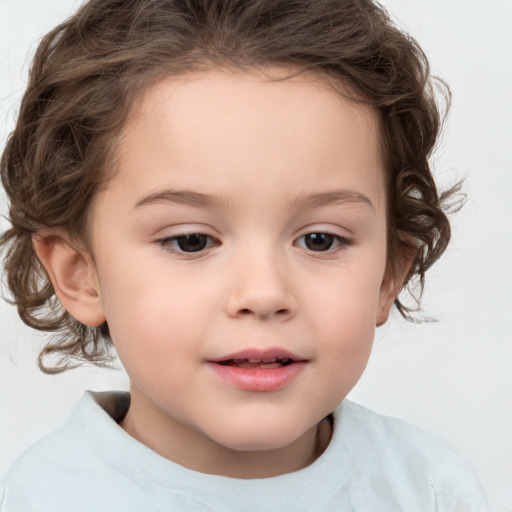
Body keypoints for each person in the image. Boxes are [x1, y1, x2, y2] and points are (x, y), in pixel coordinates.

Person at [0, 0, 488, 510]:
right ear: (80, 274)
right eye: (190, 240)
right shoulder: (38, 497)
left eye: (320, 240)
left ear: (389, 275)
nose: (263, 293)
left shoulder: (430, 488)